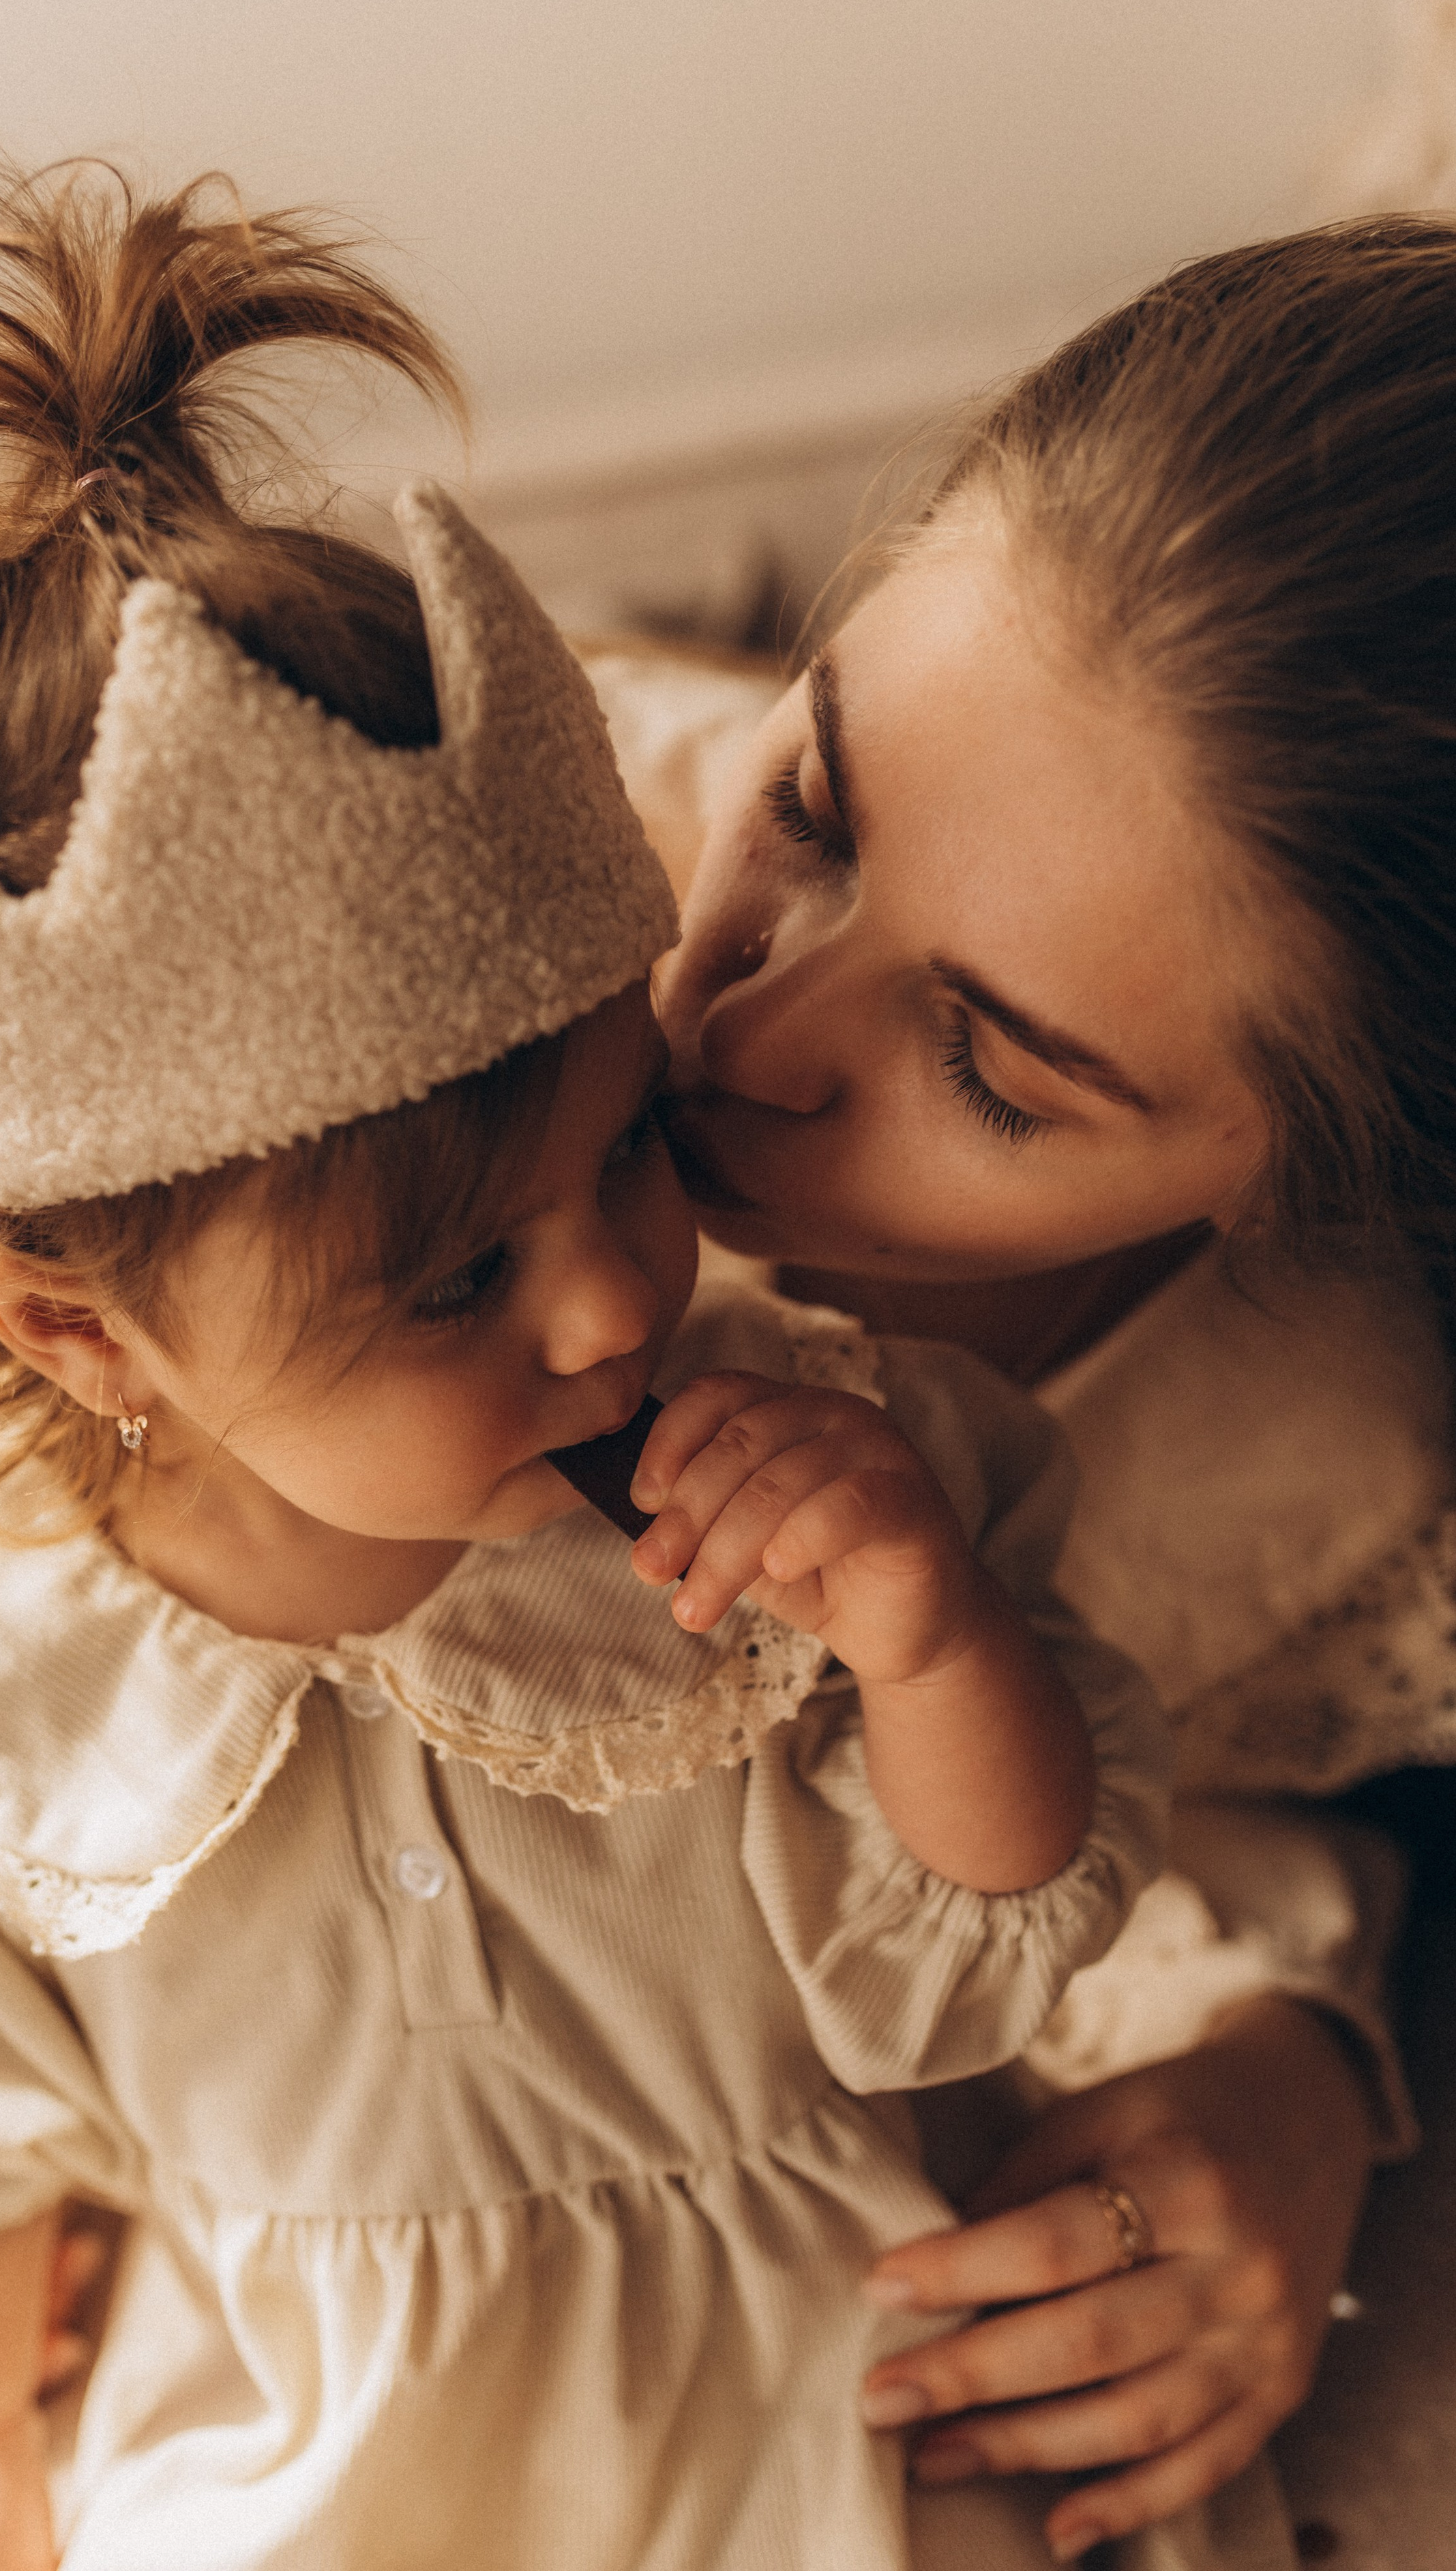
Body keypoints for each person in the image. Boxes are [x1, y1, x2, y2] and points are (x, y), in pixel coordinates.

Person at [0, 166, 1170, 2571]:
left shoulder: (799, 1477)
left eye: (625, 1150)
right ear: (82, 1335)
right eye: (450, 1285)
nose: (615, 1302)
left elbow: (979, 1959)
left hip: (825, 2404)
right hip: (316, 2452)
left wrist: (927, 1635)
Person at [621, 214, 1456, 2565]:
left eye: (984, 1067)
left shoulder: (1354, 1458)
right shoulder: (481, 865)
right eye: (814, 804)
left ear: (1293, 1184)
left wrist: (1300, 2084)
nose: (744, 1030)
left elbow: (1315, 1800)